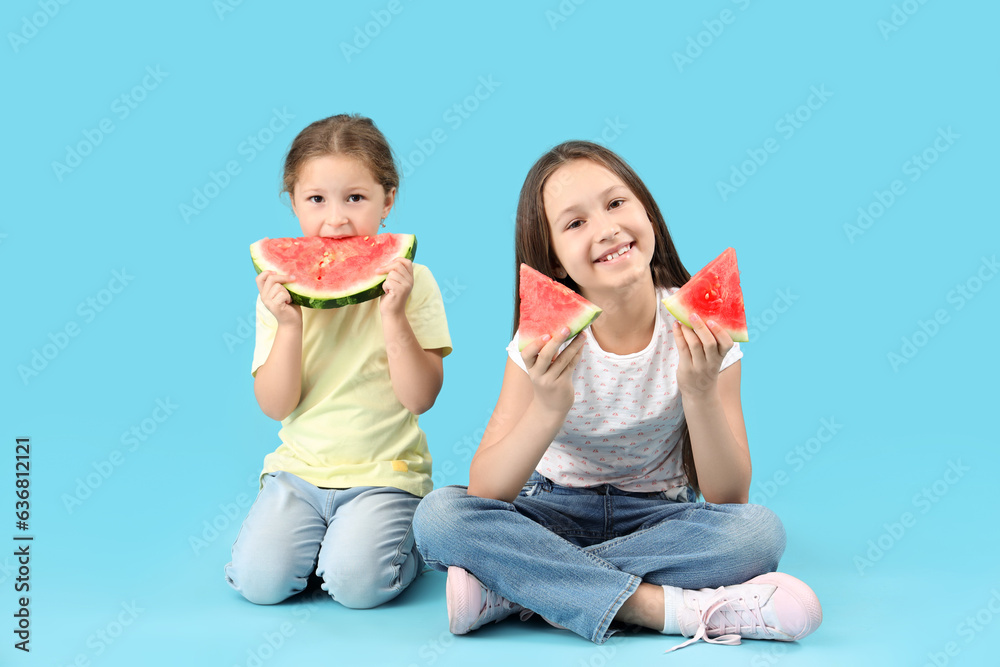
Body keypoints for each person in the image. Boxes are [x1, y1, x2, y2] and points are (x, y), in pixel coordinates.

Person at [412, 141, 821, 651]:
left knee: (758, 534)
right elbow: (486, 489)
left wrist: (697, 391)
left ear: (646, 212)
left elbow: (728, 496)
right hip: (551, 512)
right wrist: (548, 406)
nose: (605, 228)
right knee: (438, 517)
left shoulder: (700, 327)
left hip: (660, 517)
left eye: (615, 203)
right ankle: (667, 609)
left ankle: (520, 589)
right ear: (554, 261)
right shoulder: (541, 341)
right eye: (574, 223)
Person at [226, 114, 452, 610]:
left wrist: (393, 315)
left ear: (387, 200)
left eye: (355, 197)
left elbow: (421, 397)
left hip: (385, 475)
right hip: (298, 475)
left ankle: (410, 548)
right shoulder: (279, 289)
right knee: (260, 584)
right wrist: (288, 325)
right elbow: (274, 403)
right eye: (316, 199)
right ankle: (325, 547)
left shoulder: (416, 282)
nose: (336, 219)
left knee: (357, 587)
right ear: (292, 203)